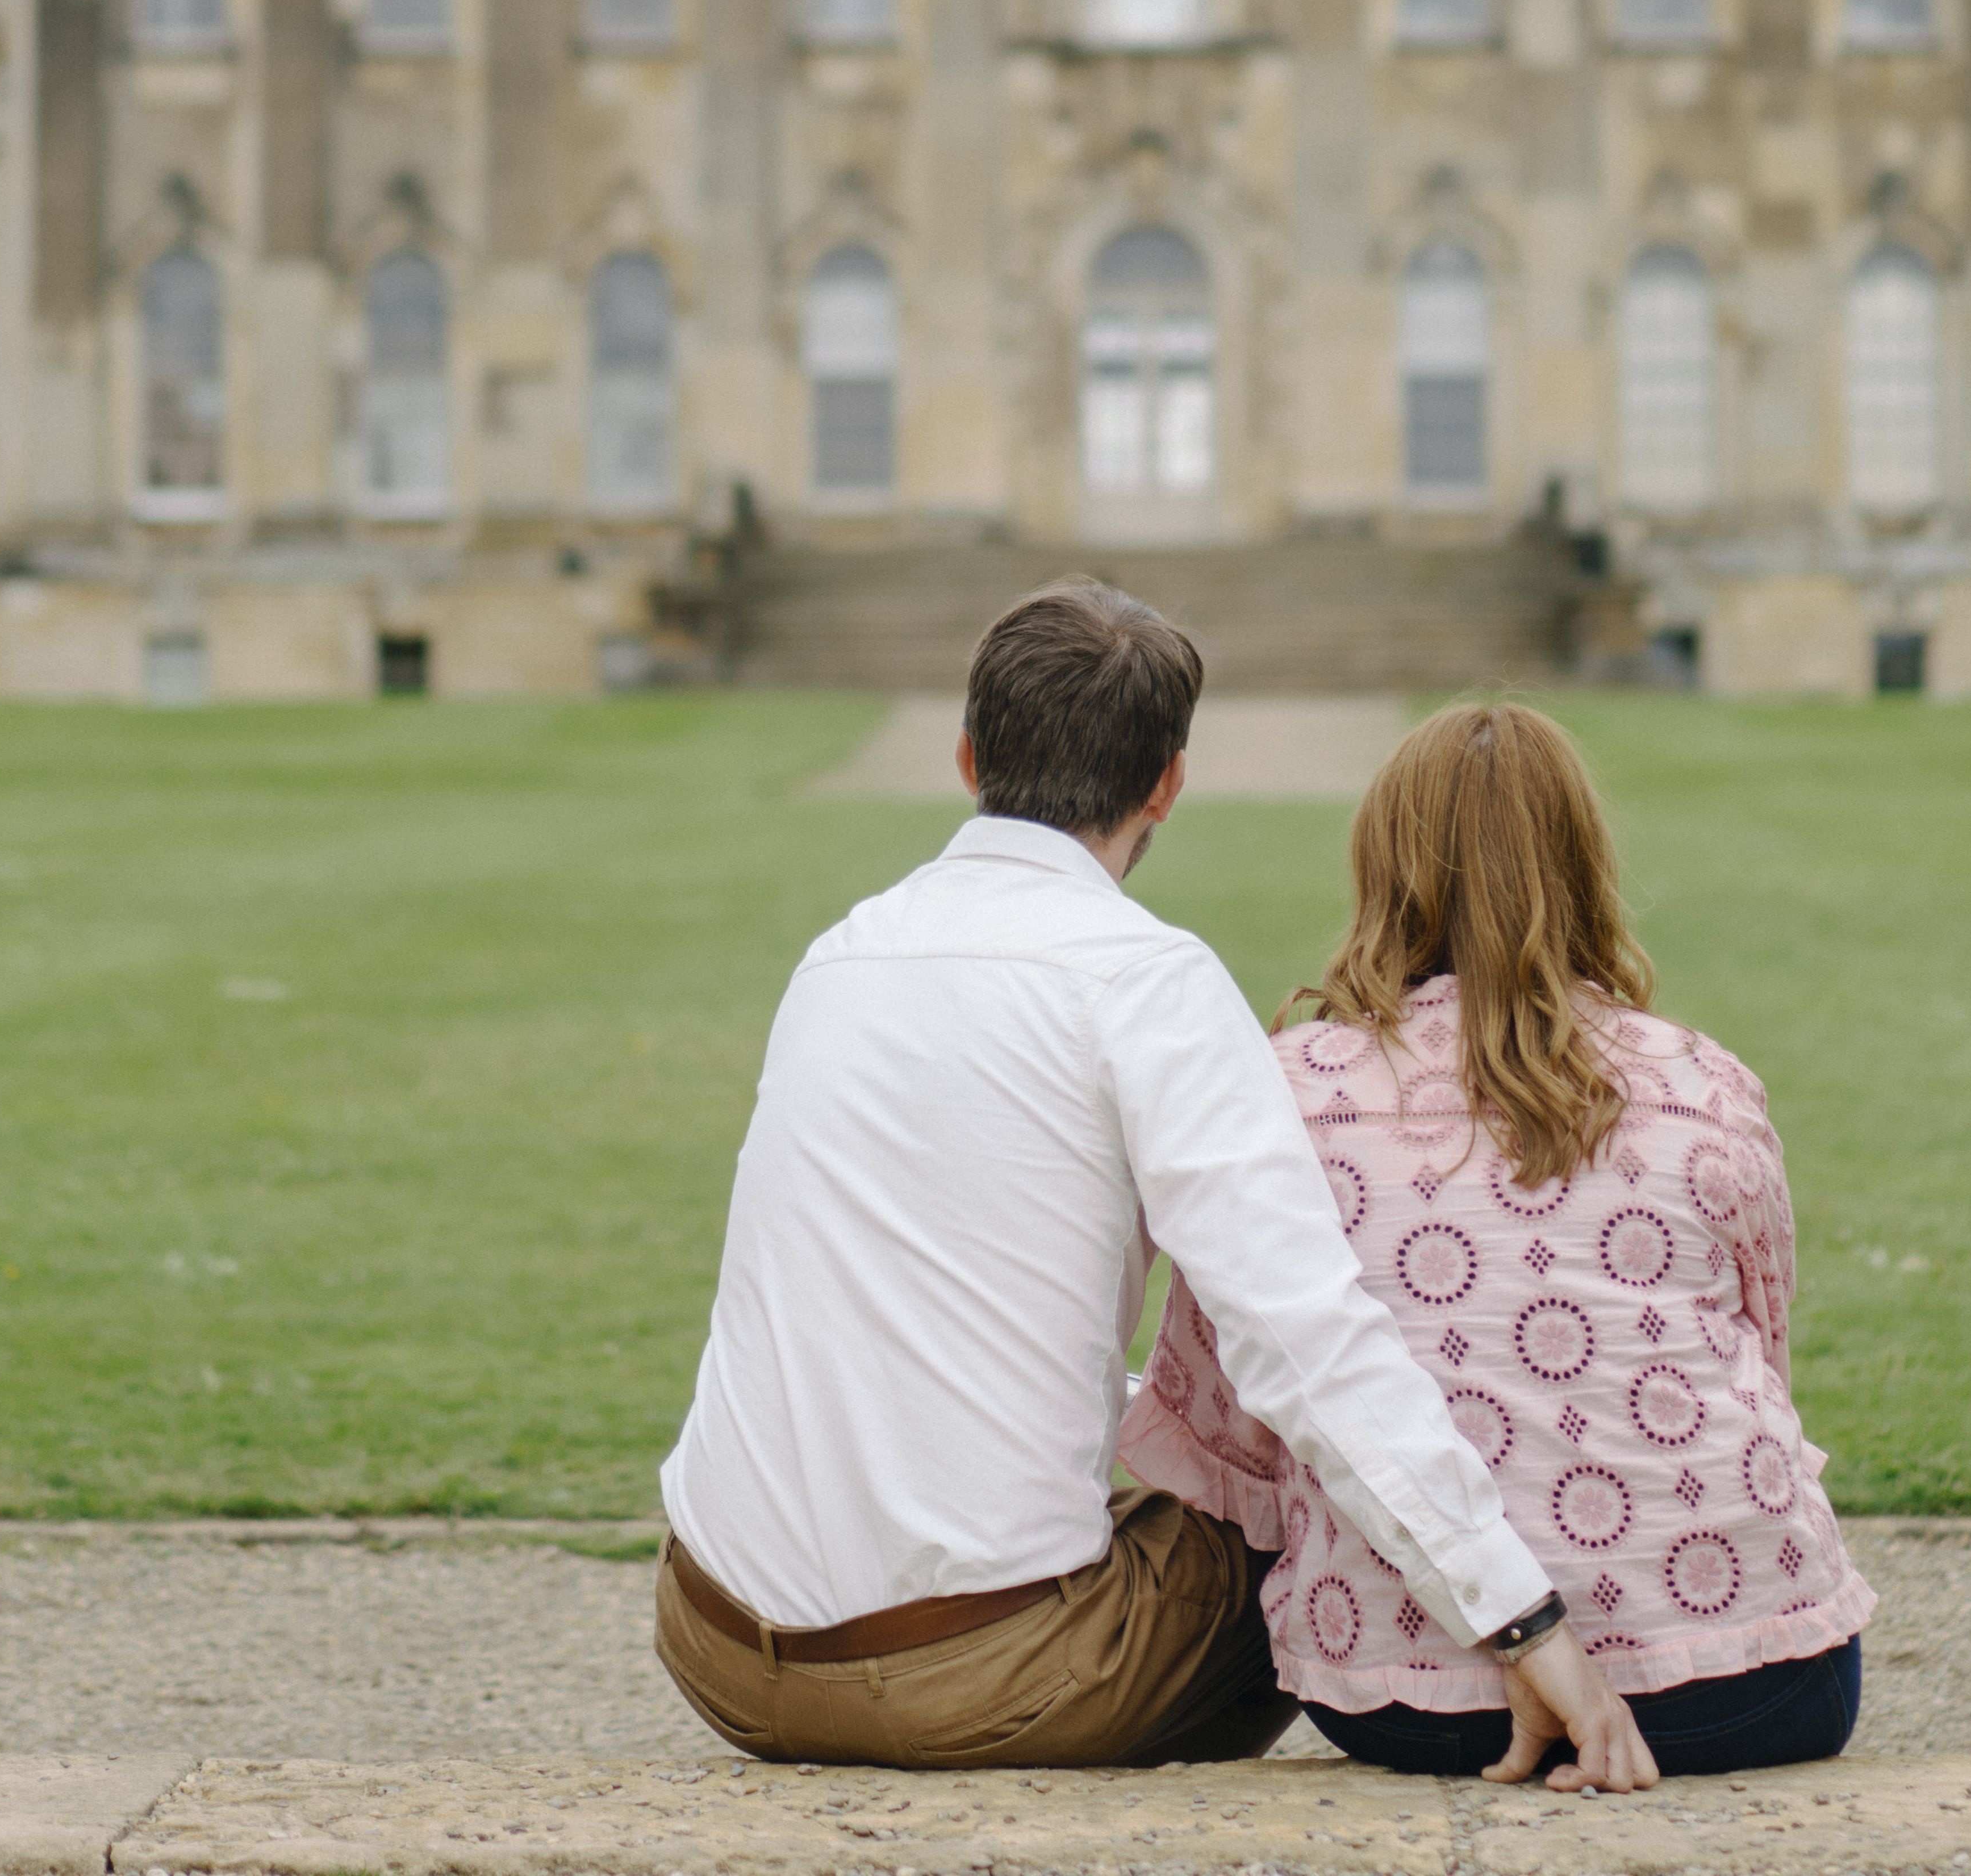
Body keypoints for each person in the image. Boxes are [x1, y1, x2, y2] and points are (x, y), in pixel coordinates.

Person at [656, 580, 1656, 1788]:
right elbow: (1299, 1334)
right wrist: (1520, 1616)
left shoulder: (841, 950)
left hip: (710, 1641)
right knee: (1284, 1507)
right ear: (1166, 783)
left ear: (969, 754)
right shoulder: (1146, 979)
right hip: (973, 1679)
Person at [1122, 697, 1870, 1780]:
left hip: (1402, 1695)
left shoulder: (1288, 1094)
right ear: (1582, 863)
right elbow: (1758, 1356)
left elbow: (1232, 1434)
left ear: (1383, 866)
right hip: (1757, 1682)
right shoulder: (1703, 1084)